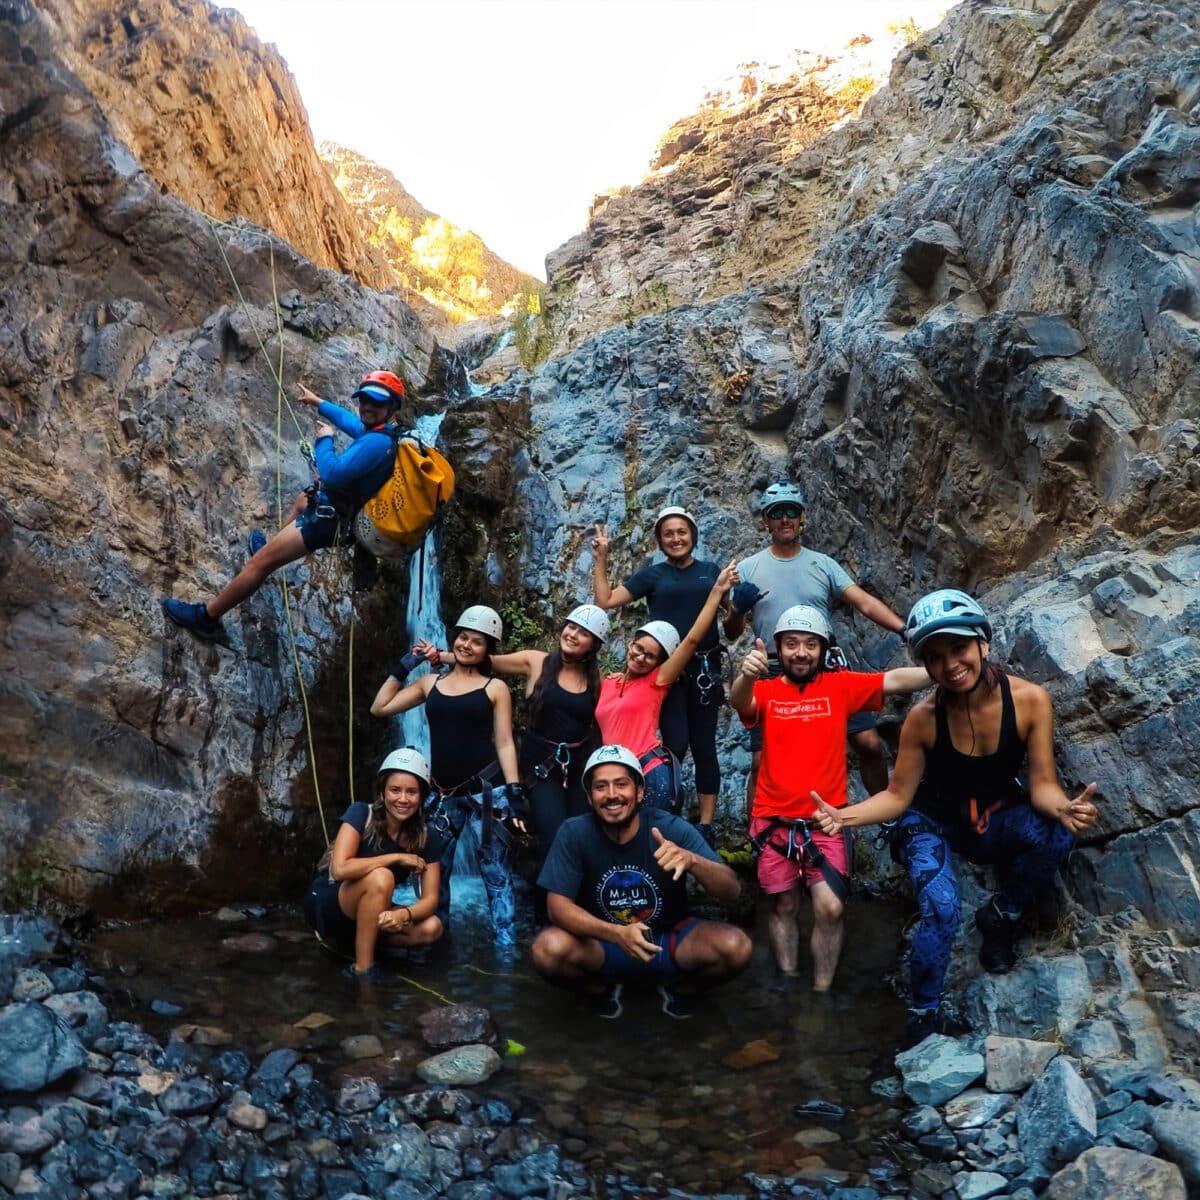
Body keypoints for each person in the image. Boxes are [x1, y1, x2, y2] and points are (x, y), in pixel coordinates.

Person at [810, 589, 1099, 1045]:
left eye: (958, 649)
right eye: (935, 657)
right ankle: (923, 1014)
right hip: (931, 824)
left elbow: (1042, 783)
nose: (950, 665)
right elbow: (898, 796)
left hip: (994, 820)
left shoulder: (1030, 701)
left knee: (1057, 834)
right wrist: (843, 818)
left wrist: (1064, 806)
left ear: (982, 643)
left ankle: (1000, 916)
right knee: (941, 907)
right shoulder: (922, 719)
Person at [729, 605, 930, 991]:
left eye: (809, 645)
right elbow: (742, 703)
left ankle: (821, 991)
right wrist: (745, 675)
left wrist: (941, 666)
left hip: (828, 821)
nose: (800, 653)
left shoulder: (839, 686)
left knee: (831, 907)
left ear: (822, 650)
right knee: (784, 905)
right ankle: (788, 979)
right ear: (779, 649)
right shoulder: (767, 691)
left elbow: (893, 681)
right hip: (774, 821)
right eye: (791, 645)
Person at [162, 371, 406, 641]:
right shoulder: (385, 434)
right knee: (302, 500)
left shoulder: (375, 442)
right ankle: (271, 548)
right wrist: (318, 402)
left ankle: (206, 618)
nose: (368, 407)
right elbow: (350, 421)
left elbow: (331, 474)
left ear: (392, 407)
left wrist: (325, 440)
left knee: (259, 564)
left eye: (377, 402)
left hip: (328, 522)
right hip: (335, 512)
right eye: (364, 400)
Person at [722, 481, 906, 810]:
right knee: (760, 760)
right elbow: (733, 633)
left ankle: (887, 818)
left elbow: (862, 602)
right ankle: (759, 838)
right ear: (766, 521)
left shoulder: (822, 564)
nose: (784, 519)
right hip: (773, 668)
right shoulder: (749, 568)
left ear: (802, 517)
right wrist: (737, 608)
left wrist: (904, 629)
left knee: (869, 742)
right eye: (776, 513)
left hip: (825, 664)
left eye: (791, 512)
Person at [532, 744, 751, 1019]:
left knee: (736, 946)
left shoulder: (668, 828)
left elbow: (732, 890)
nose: (612, 795)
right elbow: (557, 907)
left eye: (621, 784)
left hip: (668, 941)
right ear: (589, 797)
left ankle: (681, 990)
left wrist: (693, 862)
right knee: (546, 949)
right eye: (601, 787)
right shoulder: (574, 833)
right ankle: (600, 992)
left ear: (640, 791)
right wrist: (615, 933)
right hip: (603, 945)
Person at [370, 605, 527, 948]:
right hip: (441, 796)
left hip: (486, 794)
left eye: (478, 642)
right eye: (463, 637)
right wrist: (406, 665)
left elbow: (504, 742)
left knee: (495, 874)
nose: (467, 645)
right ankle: (435, 935)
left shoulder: (495, 688)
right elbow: (380, 707)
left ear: (489, 650)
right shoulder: (430, 684)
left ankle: (505, 946)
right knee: (429, 871)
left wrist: (514, 790)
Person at [593, 507, 726, 848]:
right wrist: (602, 556)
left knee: (704, 744)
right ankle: (668, 810)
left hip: (703, 669)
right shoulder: (653, 575)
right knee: (674, 744)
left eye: (682, 531)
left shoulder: (712, 573)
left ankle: (707, 826)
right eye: (668, 533)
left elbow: (732, 622)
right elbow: (606, 600)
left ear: (692, 535)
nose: (676, 538)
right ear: (660, 541)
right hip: (665, 675)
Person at [483, 604, 607, 922]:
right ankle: (549, 915)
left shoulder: (596, 681)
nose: (573, 634)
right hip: (540, 767)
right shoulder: (536, 661)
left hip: (578, 768)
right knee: (554, 836)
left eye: (583, 633)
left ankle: (580, 909)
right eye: (571, 627)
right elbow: (485, 661)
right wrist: (439, 657)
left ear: (593, 644)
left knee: (582, 833)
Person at [595, 560, 738, 811]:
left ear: (660, 663)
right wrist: (601, 557)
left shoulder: (657, 682)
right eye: (638, 648)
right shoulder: (607, 682)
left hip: (646, 772)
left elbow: (692, 639)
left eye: (650, 656)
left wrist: (716, 592)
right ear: (629, 644)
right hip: (609, 772)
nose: (641, 657)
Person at [302, 747, 444, 981]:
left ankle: (362, 940)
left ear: (422, 796)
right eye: (395, 790)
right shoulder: (360, 813)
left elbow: (430, 900)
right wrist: (395, 858)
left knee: (432, 927)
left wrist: (404, 915)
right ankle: (363, 969)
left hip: (371, 909)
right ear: (382, 791)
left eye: (412, 792)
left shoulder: (427, 836)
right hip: (328, 903)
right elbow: (339, 869)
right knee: (382, 877)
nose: (403, 799)